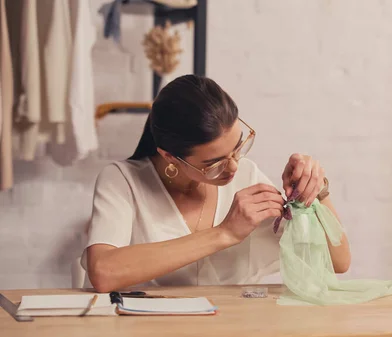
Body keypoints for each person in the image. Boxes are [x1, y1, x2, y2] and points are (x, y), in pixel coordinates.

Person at [81, 75, 351, 292]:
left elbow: (339, 262)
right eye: (214, 163)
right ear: (169, 157)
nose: (233, 166)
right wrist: (225, 233)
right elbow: (104, 273)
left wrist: (317, 191)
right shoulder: (122, 181)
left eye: (238, 147)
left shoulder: (246, 174)